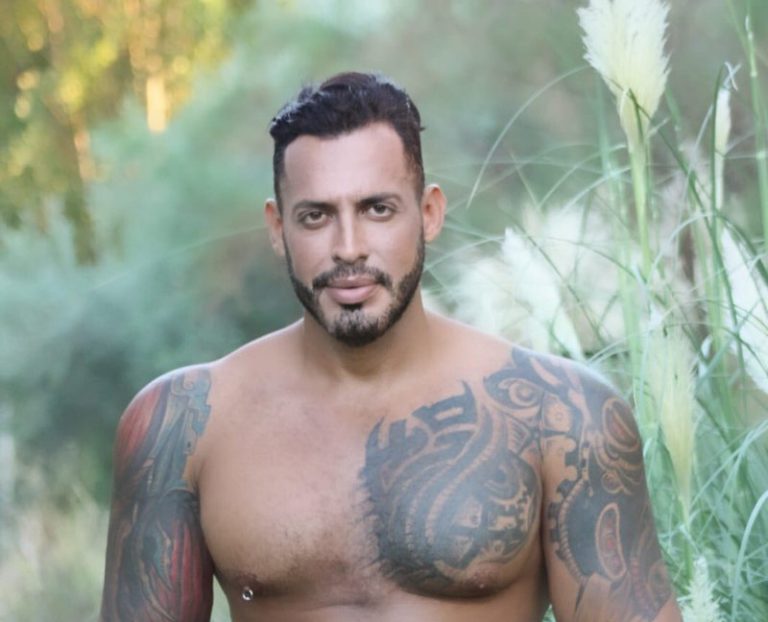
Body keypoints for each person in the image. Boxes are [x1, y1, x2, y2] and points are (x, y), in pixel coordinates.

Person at [99, 71, 682, 622]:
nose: (349, 247)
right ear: (278, 229)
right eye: (316, 216)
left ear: (429, 214)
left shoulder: (562, 415)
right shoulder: (184, 425)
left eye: (377, 209)